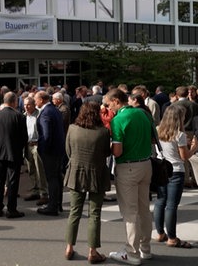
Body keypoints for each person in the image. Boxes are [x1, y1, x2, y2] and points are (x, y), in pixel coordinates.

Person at [104, 88, 154, 265]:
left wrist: (106, 146)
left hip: (128, 167)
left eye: (109, 104)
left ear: (117, 101)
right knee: (144, 209)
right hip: (146, 163)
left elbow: (117, 151)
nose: (108, 107)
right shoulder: (143, 114)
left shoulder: (119, 119)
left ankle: (132, 253)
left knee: (130, 212)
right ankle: (145, 248)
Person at [63, 102, 111, 263]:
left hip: (76, 172)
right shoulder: (103, 132)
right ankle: (93, 251)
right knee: (95, 213)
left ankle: (69, 247)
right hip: (97, 173)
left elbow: (68, 151)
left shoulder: (72, 129)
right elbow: (106, 153)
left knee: (74, 212)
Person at [154, 104, 197, 248]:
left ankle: (160, 233)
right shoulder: (180, 135)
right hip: (176, 170)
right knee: (171, 205)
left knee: (160, 202)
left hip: (161, 168)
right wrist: (194, 148)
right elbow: (184, 157)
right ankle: (172, 237)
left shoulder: (158, 130)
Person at [0, 92, 28, 219]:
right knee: (12, 181)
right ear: (14, 102)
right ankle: (11, 209)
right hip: (14, 152)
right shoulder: (19, 116)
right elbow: (24, 138)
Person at [34, 91, 66, 216]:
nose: (35, 102)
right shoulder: (55, 110)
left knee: (52, 178)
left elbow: (46, 135)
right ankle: (57, 203)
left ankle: (52, 206)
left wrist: (42, 149)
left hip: (50, 151)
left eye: (36, 99)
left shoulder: (46, 113)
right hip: (58, 149)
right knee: (57, 177)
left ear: (41, 99)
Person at [22, 96, 49, 206]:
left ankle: (44, 194)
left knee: (40, 170)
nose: (26, 107)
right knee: (31, 169)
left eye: (28, 104)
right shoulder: (23, 116)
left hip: (37, 145)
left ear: (34, 105)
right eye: (25, 105)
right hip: (27, 146)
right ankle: (35, 190)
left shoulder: (39, 115)